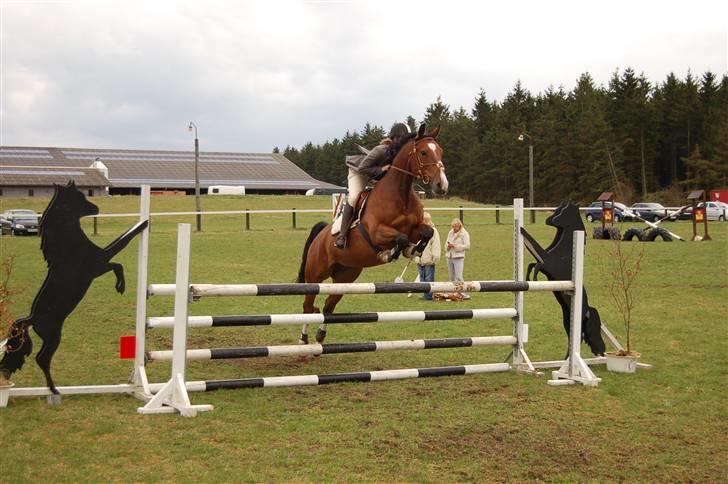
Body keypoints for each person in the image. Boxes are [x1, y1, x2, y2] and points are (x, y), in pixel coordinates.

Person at [335, 122, 412, 249]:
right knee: (354, 198)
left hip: (374, 174)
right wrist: (381, 169)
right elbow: (362, 168)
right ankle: (342, 235)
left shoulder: (399, 154)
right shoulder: (381, 150)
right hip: (359, 172)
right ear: (395, 139)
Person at [413, 212, 440, 300]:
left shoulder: (433, 231)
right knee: (422, 277)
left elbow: (436, 245)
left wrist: (435, 257)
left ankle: (428, 295)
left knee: (429, 278)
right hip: (419, 258)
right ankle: (425, 294)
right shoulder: (418, 230)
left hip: (429, 258)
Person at [445, 218, 470, 299]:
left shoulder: (464, 233)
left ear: (459, 226)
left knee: (459, 276)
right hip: (449, 256)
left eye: (455, 226)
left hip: (459, 257)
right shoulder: (450, 232)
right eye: (453, 226)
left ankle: (464, 293)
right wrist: (448, 246)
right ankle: (453, 292)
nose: (454, 228)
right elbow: (446, 243)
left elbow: (467, 246)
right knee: (451, 277)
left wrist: (455, 246)